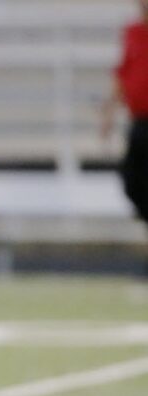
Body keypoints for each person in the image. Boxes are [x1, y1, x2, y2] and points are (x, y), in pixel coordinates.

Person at [101, 0, 148, 227]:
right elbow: (123, 74)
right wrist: (109, 112)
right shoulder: (133, 33)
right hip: (140, 120)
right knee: (132, 179)